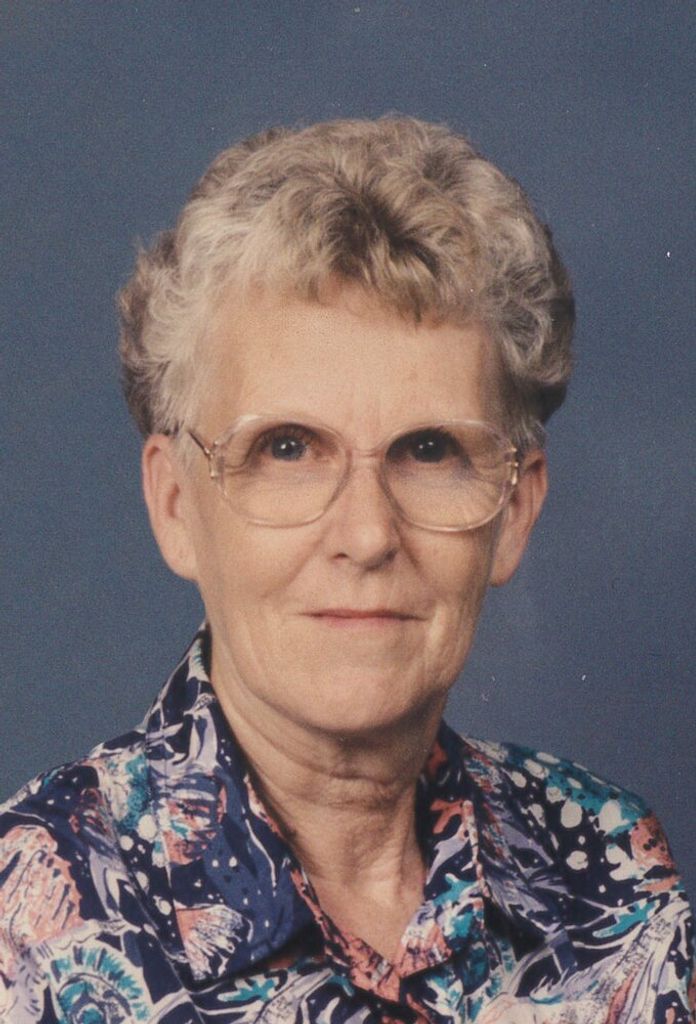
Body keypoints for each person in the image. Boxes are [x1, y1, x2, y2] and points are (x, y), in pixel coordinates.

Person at [0, 116, 693, 1024]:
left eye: (430, 449)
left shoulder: (608, 863)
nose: (367, 535)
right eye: (288, 448)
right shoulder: (32, 924)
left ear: (516, 507)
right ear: (174, 505)